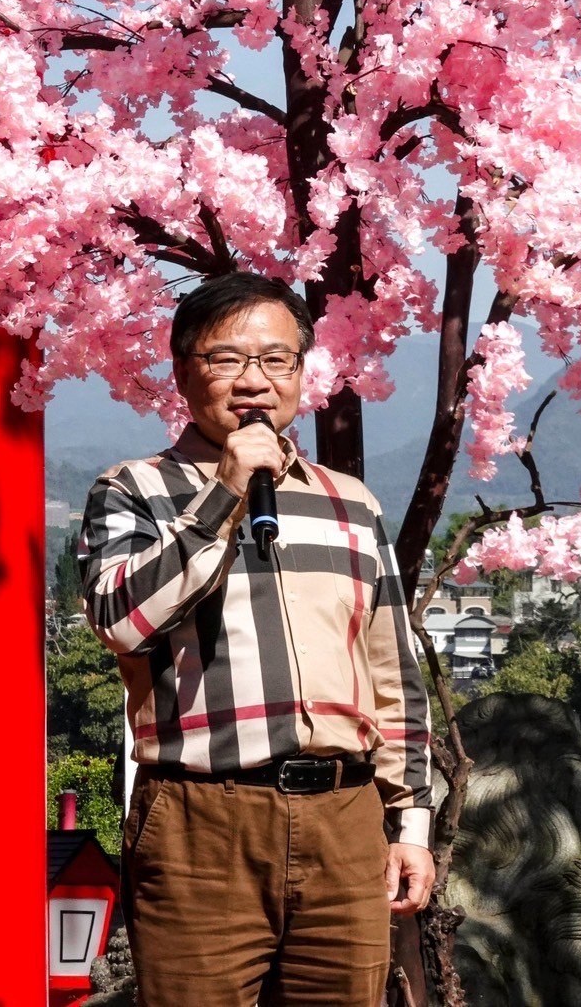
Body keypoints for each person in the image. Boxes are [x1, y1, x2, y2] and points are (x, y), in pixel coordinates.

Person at [80, 272, 435, 1004]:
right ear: (183, 371)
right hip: (199, 822)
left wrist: (412, 822)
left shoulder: (350, 503)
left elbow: (392, 670)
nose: (255, 382)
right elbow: (119, 620)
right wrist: (224, 496)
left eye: (277, 360)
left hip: (346, 819)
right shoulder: (133, 490)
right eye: (227, 359)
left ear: (301, 374)